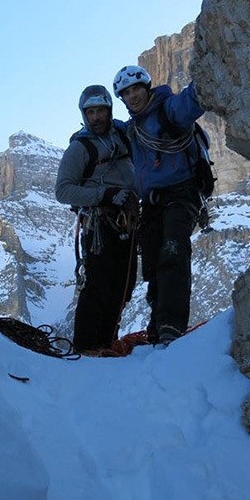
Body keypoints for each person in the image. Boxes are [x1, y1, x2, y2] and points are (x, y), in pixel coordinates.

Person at [112, 65, 205, 347]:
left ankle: (171, 326)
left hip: (181, 193)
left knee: (173, 250)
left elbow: (191, 101)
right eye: (126, 93)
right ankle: (158, 326)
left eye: (136, 89)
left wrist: (209, 70)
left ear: (147, 88)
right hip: (151, 202)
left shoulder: (169, 111)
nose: (133, 96)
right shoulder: (131, 130)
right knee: (153, 264)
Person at [55, 85, 139, 355]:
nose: (96, 117)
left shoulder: (124, 135)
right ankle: (87, 346)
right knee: (99, 284)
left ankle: (106, 342)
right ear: (84, 115)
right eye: (90, 112)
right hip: (99, 223)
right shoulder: (80, 148)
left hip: (128, 220)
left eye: (100, 111)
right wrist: (105, 194)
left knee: (123, 286)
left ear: (109, 111)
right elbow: (63, 190)